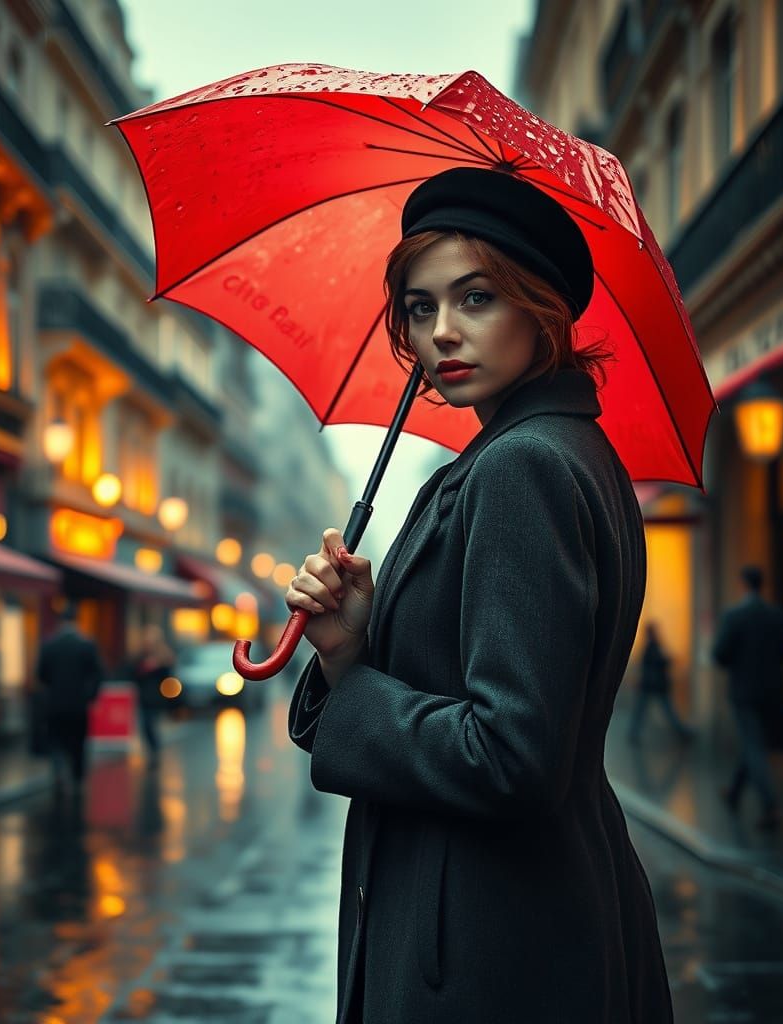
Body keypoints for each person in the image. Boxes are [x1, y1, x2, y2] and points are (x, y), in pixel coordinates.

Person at [287, 168, 673, 1023]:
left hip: (485, 944)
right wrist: (353, 645)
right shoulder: (558, 451)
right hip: (521, 917)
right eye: (420, 309)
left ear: (541, 310)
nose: (441, 334)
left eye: (476, 298)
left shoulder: (521, 467)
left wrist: (356, 694)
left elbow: (512, 754)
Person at [712, 565, 783, 831]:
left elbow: (720, 654)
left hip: (744, 692)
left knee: (754, 746)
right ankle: (735, 792)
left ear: (743, 585)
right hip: (772, 692)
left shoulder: (734, 616)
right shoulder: (776, 614)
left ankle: (770, 805)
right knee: (754, 742)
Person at [36, 602, 105, 799]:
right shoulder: (86, 645)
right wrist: (91, 696)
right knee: (78, 743)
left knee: (56, 741)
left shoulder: (49, 645)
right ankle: (77, 779)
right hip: (78, 705)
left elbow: (41, 674)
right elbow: (98, 674)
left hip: (55, 704)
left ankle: (59, 771)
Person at [627, 622, 695, 745]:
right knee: (664, 711)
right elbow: (660, 661)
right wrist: (671, 659)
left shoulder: (650, 646)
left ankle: (634, 734)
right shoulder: (653, 647)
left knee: (642, 712)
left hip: (649, 685)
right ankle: (682, 732)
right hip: (655, 685)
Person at [126, 624, 175, 765]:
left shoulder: (164, 656)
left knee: (150, 724)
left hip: (157, 696)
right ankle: (152, 751)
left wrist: (158, 666)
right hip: (143, 695)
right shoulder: (140, 656)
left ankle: (154, 751)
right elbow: (131, 671)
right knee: (144, 726)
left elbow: (168, 676)